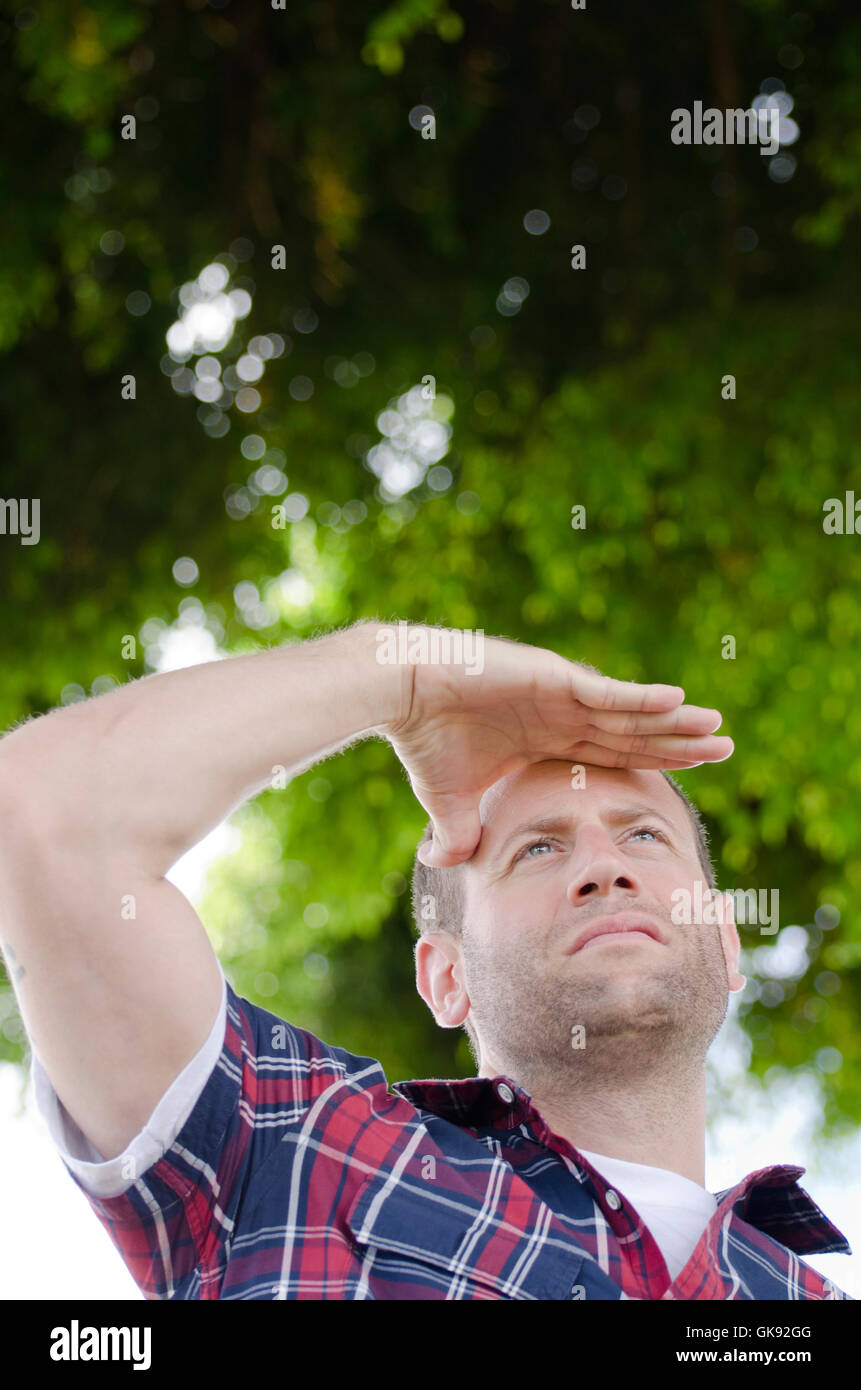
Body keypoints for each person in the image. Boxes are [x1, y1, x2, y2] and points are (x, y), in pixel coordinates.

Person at [0, 621, 850, 1300]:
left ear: (728, 940)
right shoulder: (289, 1151)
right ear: (446, 976)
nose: (604, 865)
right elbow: (43, 814)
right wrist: (400, 677)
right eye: (538, 850)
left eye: (642, 834)